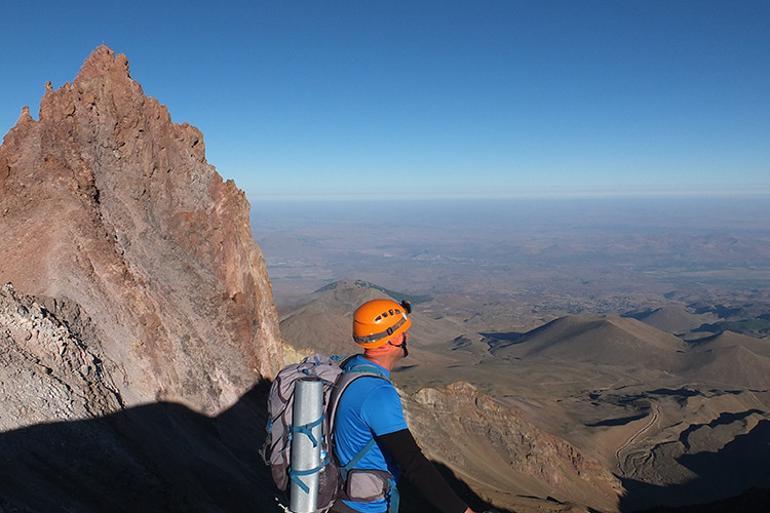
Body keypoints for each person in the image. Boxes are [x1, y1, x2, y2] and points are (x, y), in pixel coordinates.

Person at [331, 298, 476, 513]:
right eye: (403, 332)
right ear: (393, 339)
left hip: (342, 500)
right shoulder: (377, 393)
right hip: (363, 508)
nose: (406, 336)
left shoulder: (352, 367)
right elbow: (413, 463)